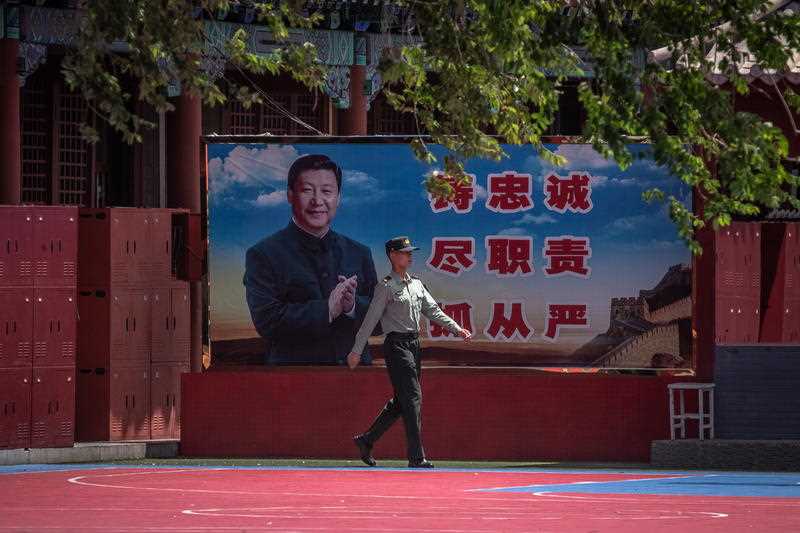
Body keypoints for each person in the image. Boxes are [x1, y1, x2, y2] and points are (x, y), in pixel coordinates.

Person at [347, 236, 472, 468]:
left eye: (410, 252)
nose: (410, 255)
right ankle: (416, 456)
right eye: (405, 252)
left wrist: (456, 328)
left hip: (413, 345)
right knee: (413, 397)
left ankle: (367, 440)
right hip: (395, 346)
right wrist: (356, 350)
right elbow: (370, 320)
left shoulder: (416, 284)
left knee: (402, 401)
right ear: (393, 255)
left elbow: (433, 310)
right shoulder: (385, 286)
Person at [243, 154, 378, 365]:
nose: (317, 201)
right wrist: (328, 310)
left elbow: (379, 322)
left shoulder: (359, 252)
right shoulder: (263, 254)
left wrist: (352, 306)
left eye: (326, 191)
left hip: (356, 378)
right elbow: (267, 322)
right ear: (290, 195)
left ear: (338, 197)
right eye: (307, 190)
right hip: (293, 380)